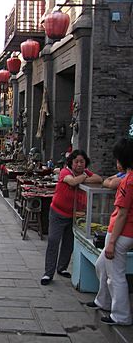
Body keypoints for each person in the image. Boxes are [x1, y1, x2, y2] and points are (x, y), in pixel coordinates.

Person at [41, 149, 102, 285]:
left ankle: (62, 268)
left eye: (82, 162)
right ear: (71, 163)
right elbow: (72, 182)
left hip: (74, 215)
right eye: (76, 162)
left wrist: (83, 176)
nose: (79, 164)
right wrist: (84, 177)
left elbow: (99, 179)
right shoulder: (65, 172)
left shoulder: (85, 173)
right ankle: (48, 273)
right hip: (57, 213)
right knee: (53, 241)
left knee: (68, 243)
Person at [89, 138, 133, 325]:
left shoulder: (128, 182)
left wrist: (112, 242)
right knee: (102, 266)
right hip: (121, 231)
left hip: (122, 233)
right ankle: (103, 300)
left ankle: (121, 315)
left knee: (116, 276)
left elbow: (122, 213)